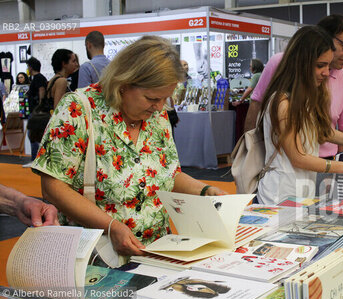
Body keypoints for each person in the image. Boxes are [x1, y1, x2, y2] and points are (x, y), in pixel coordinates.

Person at [32, 36, 227, 258]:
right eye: (152, 98)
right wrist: (111, 226)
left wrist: (203, 191)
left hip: (156, 252)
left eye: (165, 98)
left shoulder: (158, 116)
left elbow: (168, 175)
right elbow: (53, 186)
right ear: (123, 84)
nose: (159, 107)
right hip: (97, 256)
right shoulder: (78, 108)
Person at [256, 26, 343, 205]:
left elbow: (321, 131)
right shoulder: (282, 102)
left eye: (327, 64)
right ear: (301, 63)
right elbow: (298, 157)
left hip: (300, 192)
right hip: (279, 196)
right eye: (320, 65)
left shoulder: (304, 98)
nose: (326, 72)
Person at [244, 14, 343, 159]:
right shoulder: (279, 64)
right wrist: (250, 152)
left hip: (323, 162)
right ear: (324, 38)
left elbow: (340, 131)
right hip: (279, 163)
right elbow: (257, 105)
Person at [25, 57, 48, 167]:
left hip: (36, 111)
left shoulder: (38, 78)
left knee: (33, 135)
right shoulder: (37, 78)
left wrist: (39, 106)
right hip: (35, 110)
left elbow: (41, 90)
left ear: (31, 67)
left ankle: (35, 159)